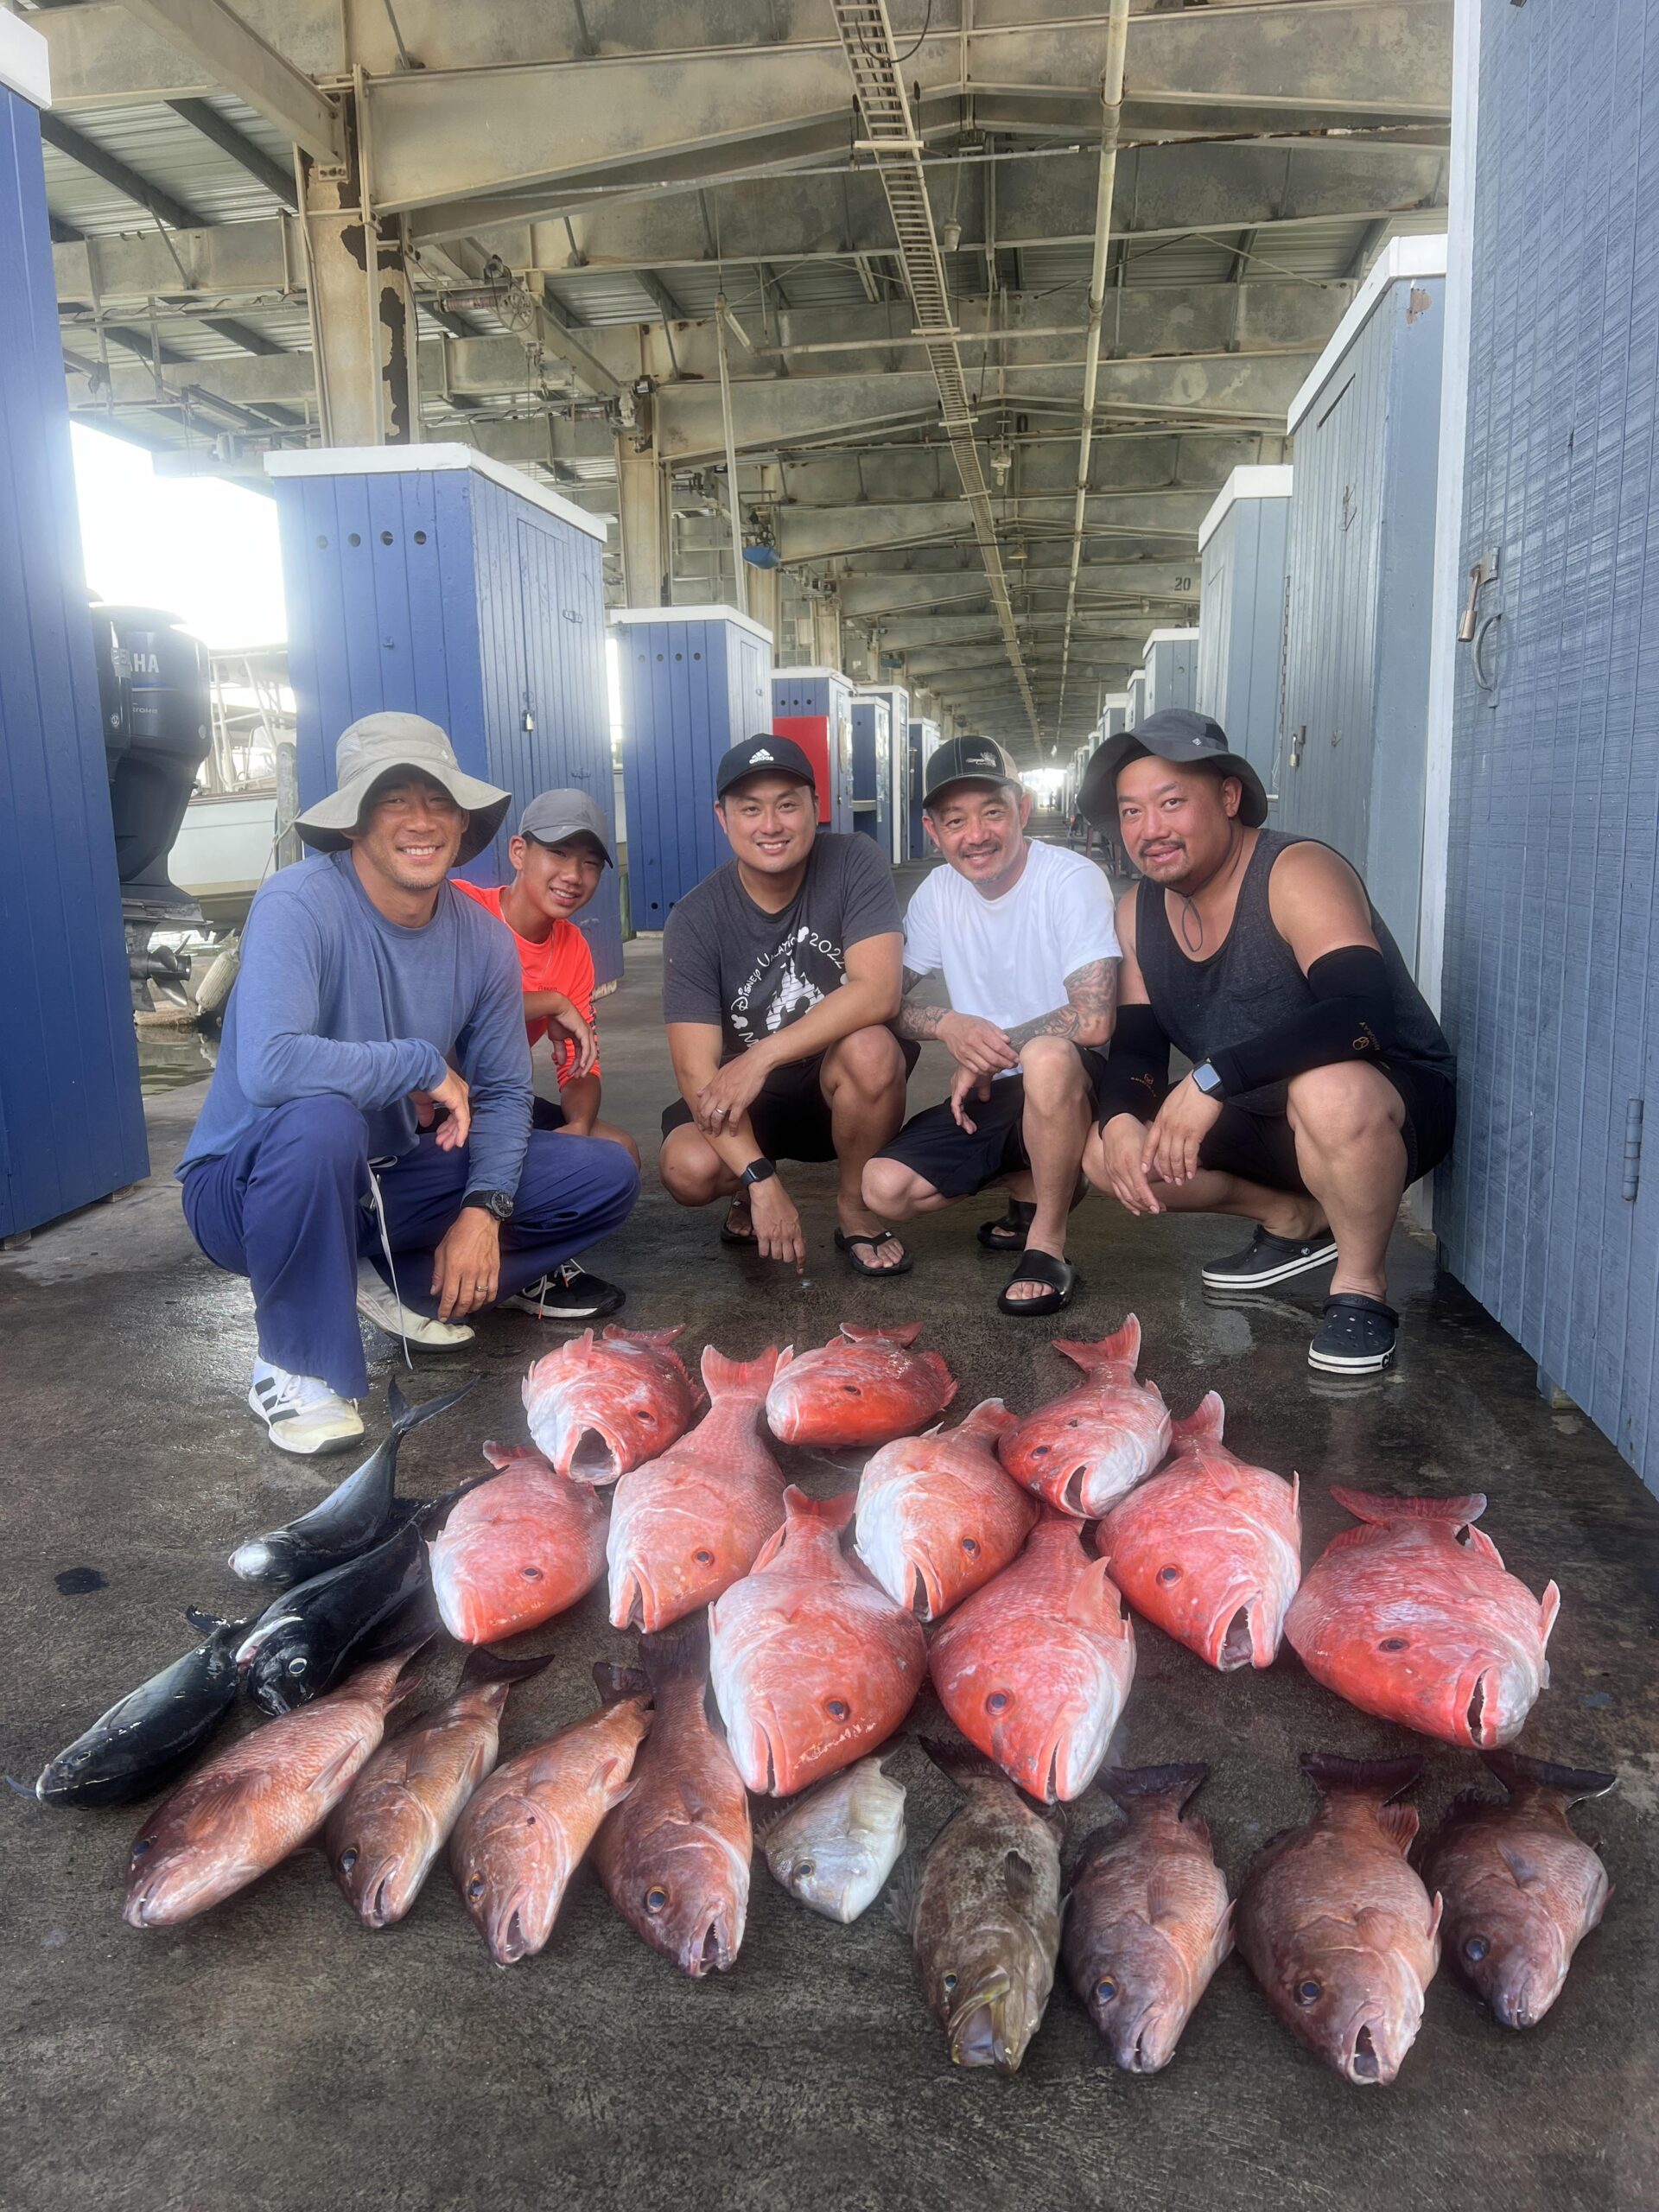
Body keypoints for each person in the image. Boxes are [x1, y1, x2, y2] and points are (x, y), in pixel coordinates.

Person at [178, 713, 640, 1455]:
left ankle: (397, 1280)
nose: (421, 822)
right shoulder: (297, 904)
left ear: (463, 825)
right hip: (246, 1187)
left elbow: (501, 1092)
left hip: (384, 1182)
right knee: (325, 1118)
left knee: (604, 1172)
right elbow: (270, 1066)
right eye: (394, 800)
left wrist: (482, 1211)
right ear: (356, 822)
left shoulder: (482, 937)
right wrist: (419, 1063)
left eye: (439, 803)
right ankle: (292, 1359)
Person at [1077, 708, 1456, 1376]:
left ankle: (1362, 1286)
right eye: (1131, 812)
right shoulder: (1137, 910)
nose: (1150, 830)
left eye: (1171, 803)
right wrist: (1121, 1120)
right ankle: (1293, 1219)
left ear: (1227, 798)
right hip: (1259, 1107)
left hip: (1382, 1103)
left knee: (1327, 1089)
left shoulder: (1294, 869)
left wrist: (1212, 1078)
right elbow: (1136, 1049)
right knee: (1103, 1155)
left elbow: (1361, 1017)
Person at [863, 736, 1121, 1317]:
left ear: (1023, 810)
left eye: (992, 812)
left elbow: (1095, 1018)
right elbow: (876, 1000)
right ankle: (1033, 1183)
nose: (975, 834)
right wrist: (948, 1024)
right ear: (934, 831)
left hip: (1081, 1075)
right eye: (955, 820)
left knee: (1050, 1059)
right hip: (1003, 1082)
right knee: (885, 1188)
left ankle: (1047, 1242)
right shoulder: (938, 894)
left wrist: (984, 1053)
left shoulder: (1069, 879)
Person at [658, 733, 917, 1275]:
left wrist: (758, 1056)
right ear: (722, 818)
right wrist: (760, 1181)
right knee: (687, 1167)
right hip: (753, 1105)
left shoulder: (853, 861)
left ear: (817, 809)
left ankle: (855, 1208)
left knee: (872, 1049)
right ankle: (750, 1185)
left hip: (833, 1079)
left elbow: (878, 990)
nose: (770, 825)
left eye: (787, 805)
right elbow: (694, 1066)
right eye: (750, 809)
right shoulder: (695, 917)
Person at [454, 787, 638, 1320]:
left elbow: (581, 1062)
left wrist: (579, 1125)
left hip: (498, 1098)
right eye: (557, 854)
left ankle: (530, 1261)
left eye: (589, 863)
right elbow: (447, 1009)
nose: (573, 876)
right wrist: (550, 1000)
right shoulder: (462, 908)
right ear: (518, 852)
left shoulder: (573, 947)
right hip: (431, 1102)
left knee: (618, 1150)